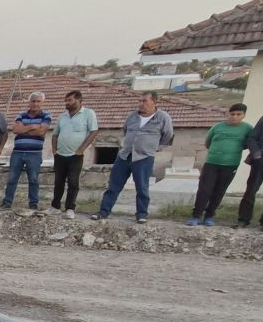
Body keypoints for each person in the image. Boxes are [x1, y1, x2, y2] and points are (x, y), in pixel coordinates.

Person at [91, 93, 174, 224]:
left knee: (142, 187)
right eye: (140, 100)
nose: (141, 103)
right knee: (113, 186)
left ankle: (141, 214)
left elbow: (168, 136)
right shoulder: (132, 116)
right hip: (124, 156)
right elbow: (125, 131)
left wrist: (153, 148)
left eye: (144, 101)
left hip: (144, 157)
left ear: (154, 102)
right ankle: (103, 211)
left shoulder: (163, 118)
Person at [188, 103, 252, 227]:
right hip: (212, 163)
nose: (234, 117)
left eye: (238, 114)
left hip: (230, 165)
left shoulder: (248, 129)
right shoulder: (218, 127)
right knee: (204, 190)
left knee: (219, 191)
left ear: (243, 115)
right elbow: (208, 143)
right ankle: (196, 215)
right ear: (228, 114)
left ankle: (209, 216)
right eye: (232, 114)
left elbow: (248, 144)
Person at [50, 90, 99, 219]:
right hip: (60, 154)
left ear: (79, 100)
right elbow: (55, 134)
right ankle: (55, 206)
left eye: (70, 100)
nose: (67, 103)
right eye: (66, 100)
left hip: (75, 155)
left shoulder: (88, 113)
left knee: (73, 182)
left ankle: (70, 208)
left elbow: (93, 132)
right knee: (58, 182)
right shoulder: (63, 116)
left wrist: (81, 149)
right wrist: (54, 150)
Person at [1, 93, 52, 212]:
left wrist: (24, 129)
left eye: (38, 101)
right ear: (29, 102)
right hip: (17, 152)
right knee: (12, 178)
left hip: (34, 153)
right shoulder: (21, 114)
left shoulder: (46, 115)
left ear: (42, 103)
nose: (35, 104)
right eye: (33, 101)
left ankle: (33, 204)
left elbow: (41, 132)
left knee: (33, 179)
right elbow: (15, 130)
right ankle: (7, 202)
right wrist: (33, 126)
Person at [237, 113, 263, 228]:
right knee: (251, 189)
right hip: (260, 160)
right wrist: (257, 154)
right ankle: (243, 219)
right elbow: (252, 137)